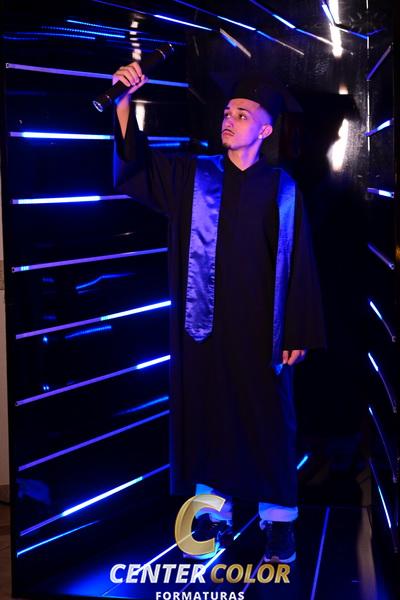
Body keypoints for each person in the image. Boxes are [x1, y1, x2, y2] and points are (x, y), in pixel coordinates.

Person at [112, 62, 326, 564]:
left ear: (265, 130)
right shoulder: (194, 176)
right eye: (228, 112)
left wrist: (297, 330)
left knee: (270, 422)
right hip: (204, 326)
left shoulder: (283, 188)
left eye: (243, 114)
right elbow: (137, 171)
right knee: (211, 415)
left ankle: (279, 522)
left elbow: (301, 263)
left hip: (263, 329)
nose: (229, 120)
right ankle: (213, 514)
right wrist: (123, 102)